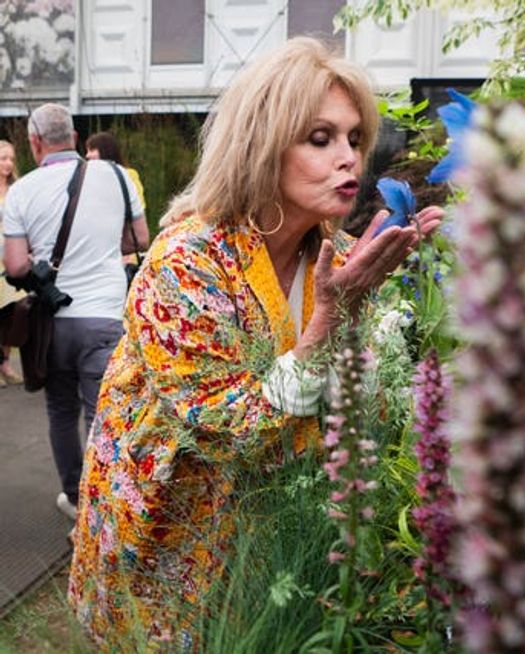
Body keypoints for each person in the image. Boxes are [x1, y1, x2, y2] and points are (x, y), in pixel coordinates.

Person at [67, 37, 443, 648]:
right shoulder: (189, 260)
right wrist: (329, 324)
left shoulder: (342, 258)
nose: (349, 158)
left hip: (273, 555)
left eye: (354, 139)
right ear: (262, 145)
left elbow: (361, 404)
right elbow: (220, 426)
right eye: (320, 139)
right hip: (169, 535)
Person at [2, 105, 150, 522]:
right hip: (106, 315)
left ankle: (76, 497)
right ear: (74, 133)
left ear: (34, 143)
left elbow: (14, 267)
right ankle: (111, 501)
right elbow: (139, 238)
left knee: (61, 412)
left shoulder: (23, 191)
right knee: (103, 411)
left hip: (51, 324)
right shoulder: (119, 176)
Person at [0, 139, 25, 385]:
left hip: (11, 258)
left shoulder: (17, 189)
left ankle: (6, 363)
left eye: (10, 159)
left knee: (10, 313)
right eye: (2, 158)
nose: (7, 164)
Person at [84, 131, 146, 210]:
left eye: (92, 150)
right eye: (87, 151)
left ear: (106, 150)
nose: (87, 155)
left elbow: (138, 205)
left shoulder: (129, 174)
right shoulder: (88, 178)